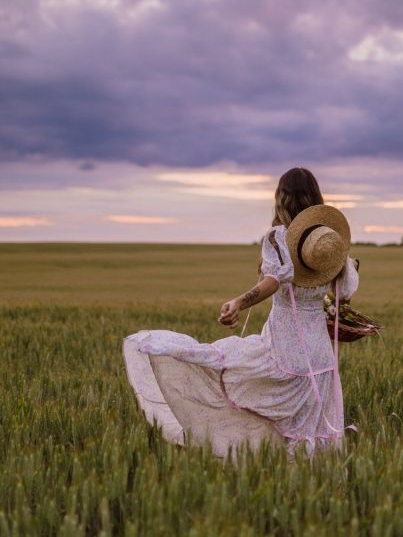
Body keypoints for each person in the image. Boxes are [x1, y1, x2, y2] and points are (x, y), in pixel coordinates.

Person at [123, 167, 359, 458]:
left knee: (232, 373)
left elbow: (273, 282)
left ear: (282, 198)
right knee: (309, 419)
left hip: (285, 345)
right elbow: (343, 293)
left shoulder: (280, 238)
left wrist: (239, 302)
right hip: (320, 351)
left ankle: (266, 460)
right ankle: (310, 472)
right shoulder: (329, 244)